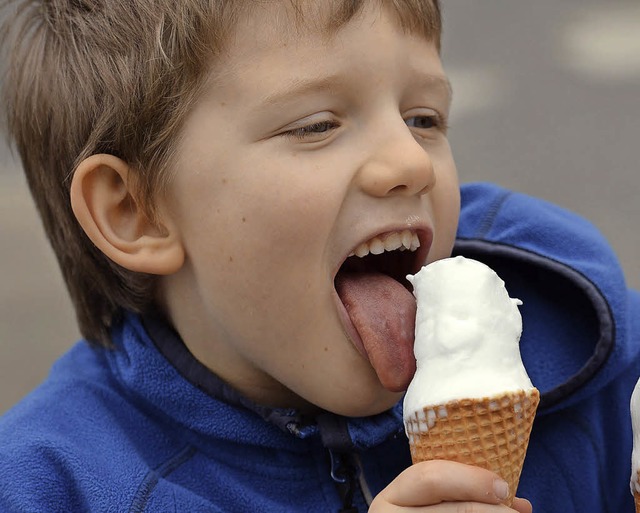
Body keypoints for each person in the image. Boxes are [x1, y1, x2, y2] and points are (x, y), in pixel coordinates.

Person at [0, 0, 638, 511]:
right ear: (136, 213)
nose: (411, 162)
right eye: (316, 125)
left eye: (423, 118)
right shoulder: (54, 486)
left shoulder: (582, 338)